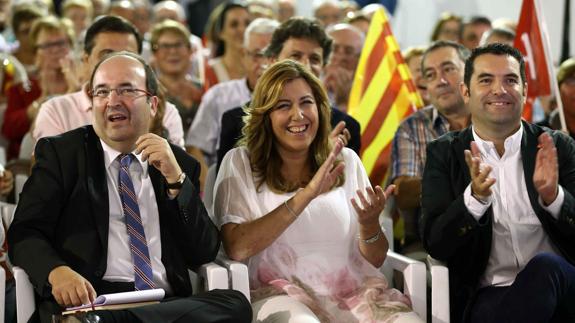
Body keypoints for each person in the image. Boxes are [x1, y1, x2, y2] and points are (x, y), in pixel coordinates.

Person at [8, 51, 252, 323]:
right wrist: (57, 271)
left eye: (126, 90)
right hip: (92, 298)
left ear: (153, 104)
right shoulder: (62, 155)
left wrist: (177, 182)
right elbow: (25, 232)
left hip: (162, 302)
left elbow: (203, 252)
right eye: (101, 92)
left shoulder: (176, 162)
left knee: (235, 302)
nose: (112, 101)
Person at [214, 59, 422, 322]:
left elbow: (377, 258)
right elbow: (237, 247)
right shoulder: (241, 163)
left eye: (306, 102)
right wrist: (307, 194)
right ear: (264, 115)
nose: (298, 115)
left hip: (356, 295)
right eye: (283, 106)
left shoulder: (346, 160)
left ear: (320, 109)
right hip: (279, 296)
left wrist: (369, 225)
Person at [420, 43, 575, 323]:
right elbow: (436, 243)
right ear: (466, 92)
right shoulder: (444, 154)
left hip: (564, 287)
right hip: (491, 295)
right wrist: (475, 199)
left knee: (546, 265)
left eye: (511, 80)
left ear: (525, 90)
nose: (499, 90)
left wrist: (554, 197)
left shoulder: (556, 146)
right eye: (486, 80)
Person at [217, 17, 361, 171]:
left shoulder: (346, 127)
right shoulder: (236, 122)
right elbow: (230, 188)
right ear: (272, 61)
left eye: (314, 59)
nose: (305, 65)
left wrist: (330, 156)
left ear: (323, 66)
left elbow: (347, 191)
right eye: (295, 56)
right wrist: (320, 154)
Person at [32, 15, 185, 148]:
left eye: (127, 56)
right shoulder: (57, 111)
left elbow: (174, 175)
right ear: (86, 60)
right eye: (106, 55)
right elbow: (48, 176)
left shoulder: (162, 111)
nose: (116, 63)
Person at [390, 41, 470, 252]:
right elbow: (404, 193)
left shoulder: (492, 119)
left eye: (448, 69)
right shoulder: (411, 127)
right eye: (431, 75)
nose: (440, 81)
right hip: (430, 245)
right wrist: (465, 180)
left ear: (470, 71)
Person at [186, 17, 278, 168]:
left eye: (272, 55)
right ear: (243, 55)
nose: (265, 65)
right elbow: (195, 149)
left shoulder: (292, 101)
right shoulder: (218, 96)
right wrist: (211, 188)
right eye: (257, 55)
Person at [3, 15, 79, 160]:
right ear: (36, 51)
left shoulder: (86, 85)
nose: (55, 50)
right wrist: (41, 100)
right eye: (48, 46)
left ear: (70, 45)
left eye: (61, 43)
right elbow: (9, 130)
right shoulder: (22, 89)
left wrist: (73, 88)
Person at [150, 19, 203, 132]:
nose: (173, 51)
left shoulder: (205, 89)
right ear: (155, 53)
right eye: (165, 46)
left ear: (190, 51)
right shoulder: (149, 92)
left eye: (178, 45)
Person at [204, 1, 250, 88]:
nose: (242, 29)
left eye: (247, 23)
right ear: (220, 33)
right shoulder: (211, 70)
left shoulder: (257, 67)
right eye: (234, 24)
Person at [324, 23, 364, 112]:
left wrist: (344, 104)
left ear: (359, 59)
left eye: (349, 52)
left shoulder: (366, 91)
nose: (340, 57)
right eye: (334, 49)